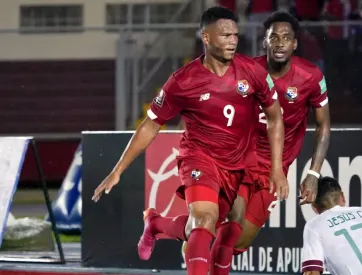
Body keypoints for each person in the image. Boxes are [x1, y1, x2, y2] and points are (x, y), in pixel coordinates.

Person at [91, 6, 288, 275]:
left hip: (239, 161)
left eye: (235, 35)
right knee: (205, 220)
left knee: (230, 228)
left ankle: (157, 225)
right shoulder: (182, 81)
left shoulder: (252, 72)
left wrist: (276, 168)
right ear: (206, 38)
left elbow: (275, 117)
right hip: (200, 157)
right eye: (225, 35)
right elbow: (151, 125)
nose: (233, 40)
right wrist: (118, 170)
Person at [177, 11, 330, 274]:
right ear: (265, 41)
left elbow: (323, 126)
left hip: (275, 167)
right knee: (208, 225)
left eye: (287, 38)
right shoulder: (247, 69)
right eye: (274, 37)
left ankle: (161, 225)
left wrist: (314, 172)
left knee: (238, 240)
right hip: (239, 159)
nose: (280, 43)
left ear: (295, 43)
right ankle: (191, 250)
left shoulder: (311, 77)